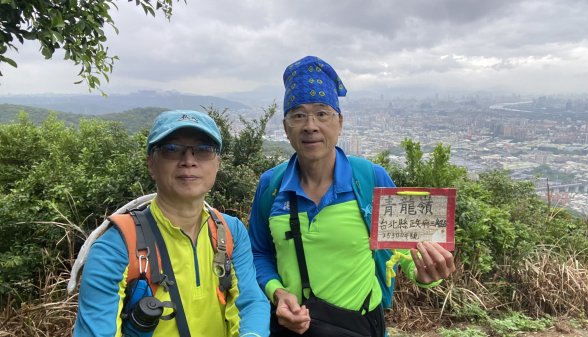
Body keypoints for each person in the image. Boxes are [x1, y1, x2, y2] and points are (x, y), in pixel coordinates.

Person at [248, 56, 456, 337]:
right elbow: (259, 252)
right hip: (292, 329)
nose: (310, 125)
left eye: (322, 114)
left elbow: (404, 247)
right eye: (298, 115)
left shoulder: (370, 179)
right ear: (286, 127)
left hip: (358, 326)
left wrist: (425, 272)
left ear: (339, 122)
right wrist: (277, 292)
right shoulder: (271, 185)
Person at [73, 110, 270, 337]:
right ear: (151, 164)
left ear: (218, 163)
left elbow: (250, 302)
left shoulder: (230, 231)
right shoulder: (117, 246)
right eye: (172, 150)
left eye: (203, 150)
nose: (188, 161)